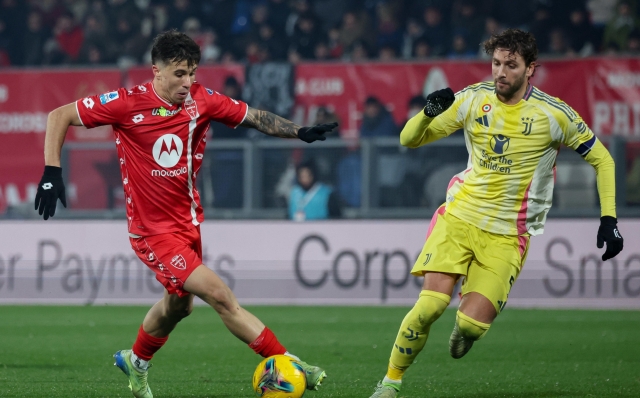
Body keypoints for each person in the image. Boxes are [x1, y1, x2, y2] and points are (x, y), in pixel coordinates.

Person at [34, 30, 337, 398]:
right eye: (179, 73)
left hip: (188, 225)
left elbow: (253, 116)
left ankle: (136, 361)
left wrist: (300, 131)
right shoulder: (126, 103)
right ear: (156, 71)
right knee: (220, 295)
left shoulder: (202, 100)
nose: (187, 81)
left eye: (192, 72)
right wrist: (52, 173)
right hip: (151, 232)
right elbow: (59, 115)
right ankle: (290, 363)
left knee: (179, 306)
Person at [369, 28, 624, 398]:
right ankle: (390, 382)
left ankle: (465, 329)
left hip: (508, 234)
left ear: (530, 69)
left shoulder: (553, 115)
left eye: (510, 65)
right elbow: (409, 139)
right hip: (459, 217)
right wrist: (426, 114)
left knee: (471, 326)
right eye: (496, 63)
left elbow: (602, 158)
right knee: (429, 307)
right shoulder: (473, 99)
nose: (500, 72)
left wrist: (609, 219)